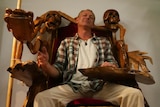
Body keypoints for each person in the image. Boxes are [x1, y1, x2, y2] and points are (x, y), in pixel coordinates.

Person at [34, 9, 144, 107]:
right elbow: (58, 71)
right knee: (42, 98)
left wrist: (109, 67)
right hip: (74, 87)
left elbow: (113, 63)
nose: (88, 17)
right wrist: (46, 65)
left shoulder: (103, 42)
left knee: (134, 94)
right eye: (84, 15)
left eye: (91, 17)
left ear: (93, 24)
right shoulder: (67, 42)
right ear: (77, 20)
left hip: (101, 86)